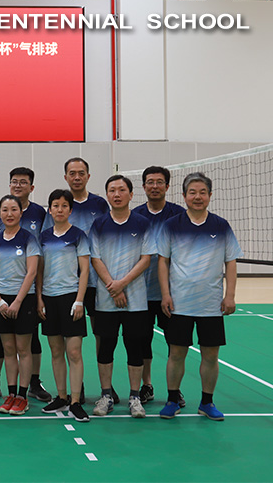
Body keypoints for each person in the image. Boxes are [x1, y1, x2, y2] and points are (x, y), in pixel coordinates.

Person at [158, 173, 242, 421]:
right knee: (176, 354)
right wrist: (165, 294)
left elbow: (231, 262)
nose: (197, 197)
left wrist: (230, 296)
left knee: (211, 356)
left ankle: (207, 402)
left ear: (210, 196)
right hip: (179, 303)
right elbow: (163, 261)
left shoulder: (221, 225)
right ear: (184, 196)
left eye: (202, 192)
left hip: (211, 304)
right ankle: (172, 400)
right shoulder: (171, 225)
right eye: (192, 192)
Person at [0, 167, 51, 404]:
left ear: (32, 187)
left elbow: (35, 263)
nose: (18, 185)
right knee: (3, 344)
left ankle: (29, 387)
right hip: (2, 296)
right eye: (14, 181)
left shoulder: (37, 218)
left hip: (28, 291)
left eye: (23, 182)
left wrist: (29, 297)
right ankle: (0, 387)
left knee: (29, 343)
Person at [47, 157, 111, 405]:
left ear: (88, 176)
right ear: (65, 177)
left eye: (81, 173)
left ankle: (106, 389)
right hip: (63, 287)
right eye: (72, 173)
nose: (76, 177)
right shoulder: (57, 207)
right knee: (64, 346)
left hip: (96, 281)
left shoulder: (100, 204)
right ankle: (76, 389)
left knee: (100, 334)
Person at [90, 175, 153, 419]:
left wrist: (122, 284)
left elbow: (146, 259)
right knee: (105, 347)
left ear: (131, 194)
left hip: (136, 300)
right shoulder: (99, 224)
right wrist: (113, 287)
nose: (117, 194)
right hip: (106, 300)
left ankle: (135, 397)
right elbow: (95, 259)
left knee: (134, 347)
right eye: (112, 190)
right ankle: (106, 395)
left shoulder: (143, 223)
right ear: (107, 195)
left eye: (121, 190)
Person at [131, 166, 185, 407]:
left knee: (175, 343)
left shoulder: (179, 215)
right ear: (143, 186)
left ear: (167, 186)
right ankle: (147, 385)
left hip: (171, 294)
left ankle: (175, 390)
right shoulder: (135, 216)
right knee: (143, 341)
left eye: (159, 182)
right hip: (141, 293)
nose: (154, 186)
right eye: (150, 182)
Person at [36, 189, 90, 422]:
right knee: (56, 351)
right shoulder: (43, 237)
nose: (60, 209)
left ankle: (75, 402)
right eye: (55, 205)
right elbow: (38, 270)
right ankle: (61, 396)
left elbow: (85, 270)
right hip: (49, 298)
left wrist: (79, 300)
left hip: (71, 297)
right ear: (50, 210)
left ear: (70, 210)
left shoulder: (78, 235)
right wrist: (39, 298)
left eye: (64, 206)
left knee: (74, 352)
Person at [0, 195, 41, 415]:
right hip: (2, 301)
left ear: (20, 213)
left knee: (23, 349)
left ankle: (22, 396)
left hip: (24, 300)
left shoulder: (29, 239)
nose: (9, 214)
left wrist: (18, 301)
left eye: (13, 209)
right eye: (5, 210)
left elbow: (32, 272)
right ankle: (10, 394)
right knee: (8, 349)